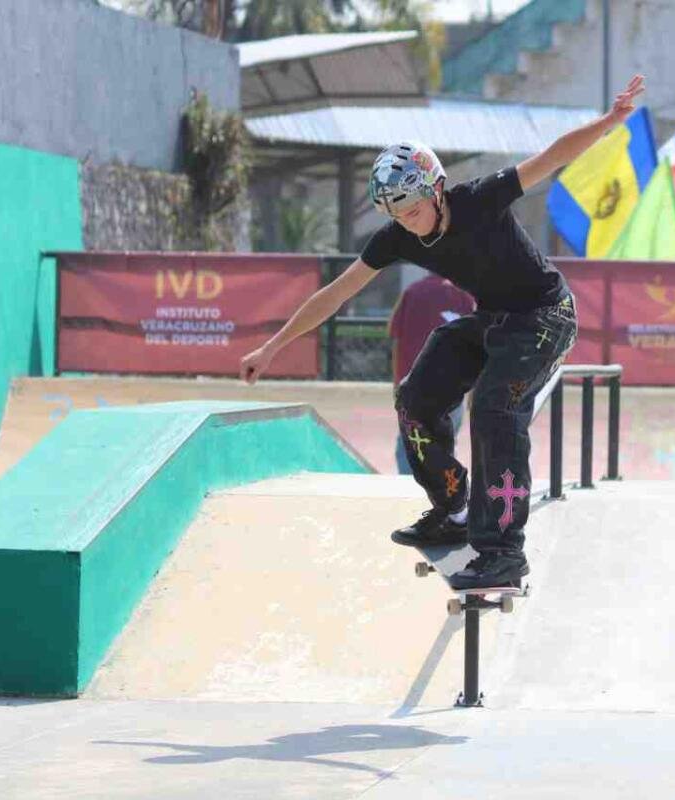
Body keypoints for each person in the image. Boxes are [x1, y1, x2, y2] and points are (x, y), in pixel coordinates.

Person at [240, 73, 647, 589]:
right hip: (493, 320)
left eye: (414, 210)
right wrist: (273, 347)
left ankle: (502, 551)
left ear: (435, 189)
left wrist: (611, 121)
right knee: (416, 397)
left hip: (545, 317)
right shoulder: (397, 237)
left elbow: (552, 156)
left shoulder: (481, 198)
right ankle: (452, 507)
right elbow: (337, 292)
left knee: (494, 406)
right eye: (398, 215)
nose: (410, 224)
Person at [388, 273, 475, 474]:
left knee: (409, 443)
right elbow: (478, 345)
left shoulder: (411, 292)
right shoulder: (464, 296)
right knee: (445, 442)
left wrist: (396, 384)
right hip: (452, 384)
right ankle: (445, 492)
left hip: (414, 384)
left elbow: (396, 340)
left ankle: (410, 485)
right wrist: (474, 389)